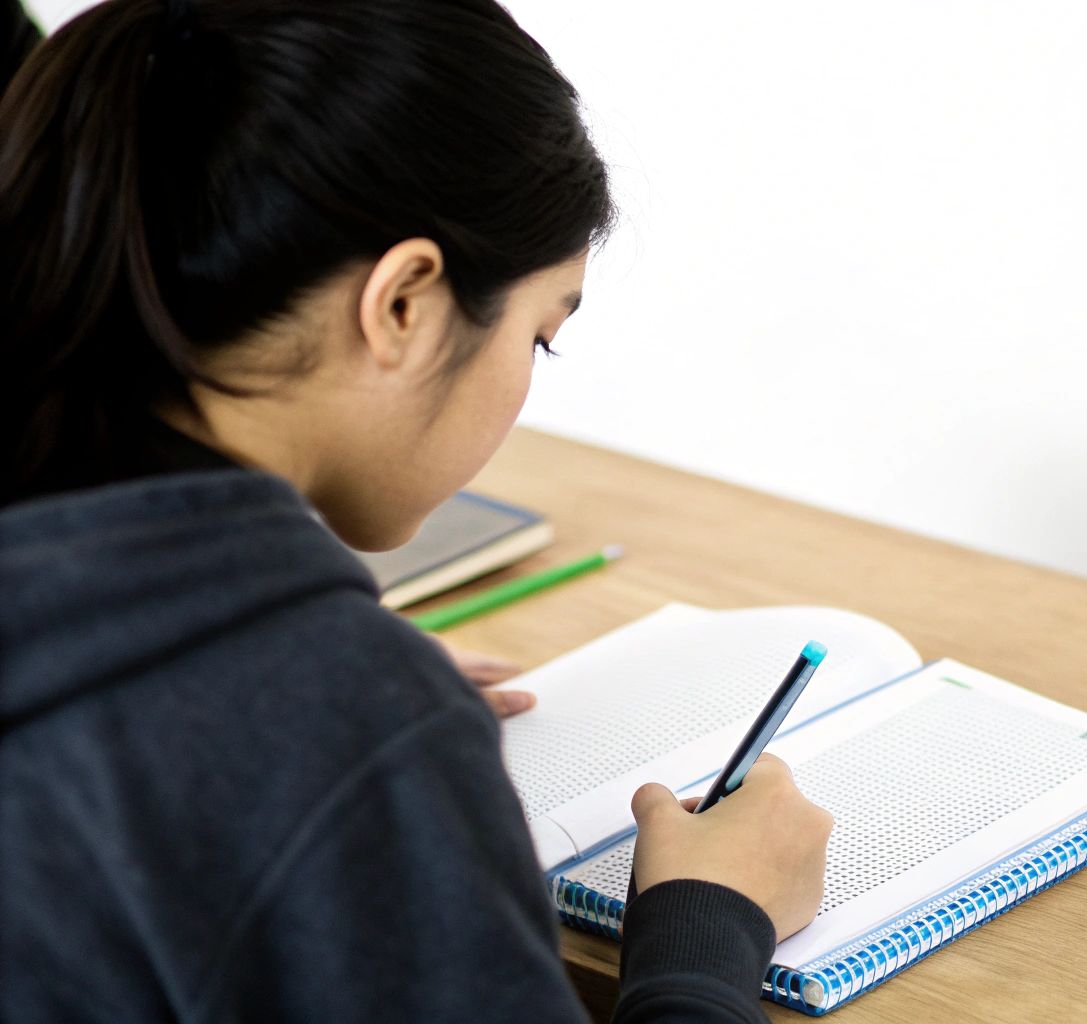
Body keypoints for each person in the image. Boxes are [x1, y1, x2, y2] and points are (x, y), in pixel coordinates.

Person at [0, 1, 834, 1021]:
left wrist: (288, 678)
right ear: (404, 303)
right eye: (539, 336)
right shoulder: (344, 722)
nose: (528, 376)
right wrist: (709, 925)